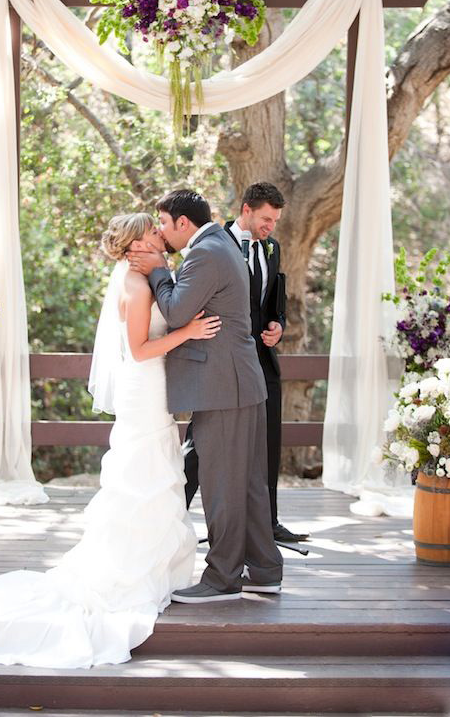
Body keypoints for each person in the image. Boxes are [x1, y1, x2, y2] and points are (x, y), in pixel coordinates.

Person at [0, 213, 221, 669]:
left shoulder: (145, 278)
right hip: (143, 390)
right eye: (151, 235)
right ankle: (128, 573)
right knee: (142, 477)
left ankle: (154, 566)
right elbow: (141, 350)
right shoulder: (136, 286)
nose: (160, 238)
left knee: (156, 473)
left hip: (151, 391)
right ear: (133, 247)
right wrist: (187, 332)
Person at [127, 189, 283, 603]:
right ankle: (265, 569)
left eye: (162, 223)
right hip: (236, 383)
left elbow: (177, 311)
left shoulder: (206, 252)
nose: (160, 232)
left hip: (223, 387)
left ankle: (223, 579)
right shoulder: (220, 244)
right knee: (247, 482)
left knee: (221, 486)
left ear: (183, 223)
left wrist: (159, 270)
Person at [183, 182, 309, 544]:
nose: (271, 227)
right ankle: (173, 516)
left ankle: (266, 524)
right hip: (222, 360)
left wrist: (278, 326)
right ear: (246, 210)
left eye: (276, 220)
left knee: (266, 443)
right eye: (266, 218)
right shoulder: (213, 245)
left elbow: (274, 300)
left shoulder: (272, 248)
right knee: (199, 443)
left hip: (262, 361)